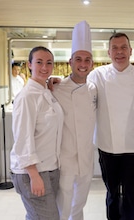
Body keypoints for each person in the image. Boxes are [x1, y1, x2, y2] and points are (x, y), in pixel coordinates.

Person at [87, 32, 134, 220]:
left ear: (130, 51)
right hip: (106, 146)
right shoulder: (97, 75)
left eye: (123, 47)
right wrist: (56, 83)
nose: (119, 52)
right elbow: (78, 91)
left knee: (132, 194)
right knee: (112, 193)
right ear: (108, 52)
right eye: (115, 48)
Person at [10, 46, 64, 220]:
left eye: (49, 63)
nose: (44, 67)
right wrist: (34, 175)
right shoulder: (27, 97)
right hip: (32, 172)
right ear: (29, 65)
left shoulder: (45, 91)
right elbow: (22, 138)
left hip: (49, 168)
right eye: (39, 62)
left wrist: (51, 84)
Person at [52, 21, 97, 220]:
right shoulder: (56, 87)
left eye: (87, 59)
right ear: (70, 61)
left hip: (86, 156)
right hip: (65, 157)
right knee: (63, 204)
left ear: (92, 64)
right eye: (78, 59)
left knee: (80, 203)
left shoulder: (95, 89)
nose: (83, 64)